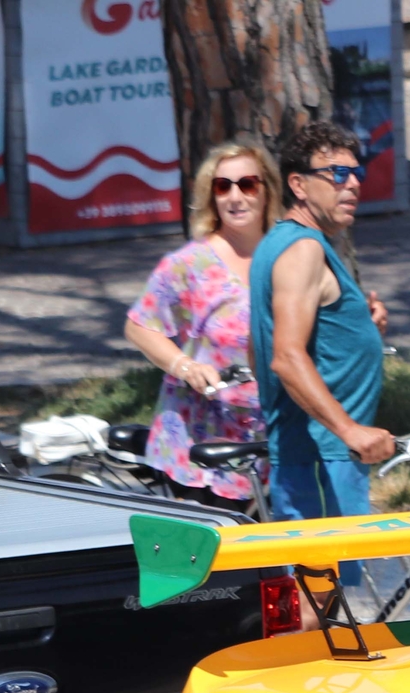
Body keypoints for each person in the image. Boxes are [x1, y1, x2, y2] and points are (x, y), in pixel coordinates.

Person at [251, 120, 393, 521]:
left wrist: (361, 330)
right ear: (298, 185)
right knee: (324, 585)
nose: (352, 184)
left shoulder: (279, 244)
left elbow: (255, 346)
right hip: (321, 458)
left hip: (319, 454)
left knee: (325, 584)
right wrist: (349, 430)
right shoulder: (303, 250)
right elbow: (284, 356)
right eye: (337, 174)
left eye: (356, 173)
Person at [124, 141, 276, 506]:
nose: (235, 197)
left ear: (268, 189)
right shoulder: (191, 264)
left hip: (273, 432)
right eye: (223, 187)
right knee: (224, 558)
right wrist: (185, 366)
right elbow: (139, 325)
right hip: (203, 440)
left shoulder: (288, 254)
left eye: (247, 184)